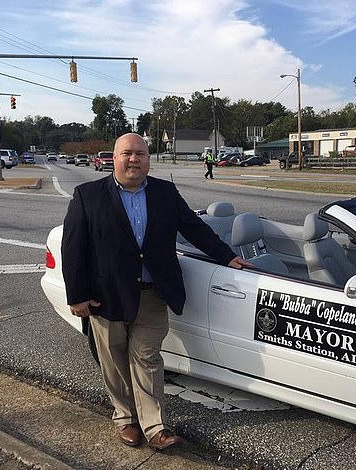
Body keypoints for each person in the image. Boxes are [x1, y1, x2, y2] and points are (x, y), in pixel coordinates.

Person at [61, 133, 251, 451]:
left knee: (148, 359)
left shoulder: (165, 193)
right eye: (127, 153)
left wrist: (226, 256)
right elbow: (73, 248)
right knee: (115, 361)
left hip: (153, 295)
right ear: (114, 158)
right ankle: (126, 419)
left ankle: (154, 426)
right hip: (105, 297)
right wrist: (76, 295)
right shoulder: (87, 195)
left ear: (149, 159)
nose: (133, 159)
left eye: (140, 154)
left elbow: (194, 227)